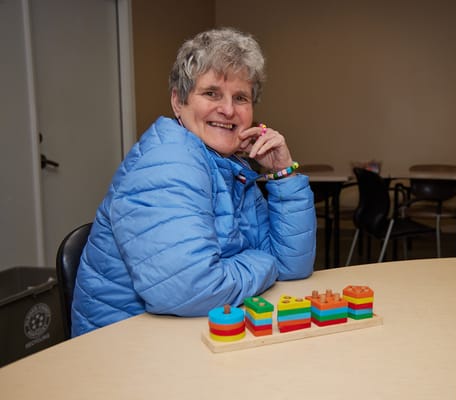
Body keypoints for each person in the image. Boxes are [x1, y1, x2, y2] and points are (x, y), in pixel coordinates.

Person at [70, 28, 316, 337]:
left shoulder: (230, 165)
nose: (228, 110)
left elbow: (294, 266)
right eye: (211, 93)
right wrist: (265, 262)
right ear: (178, 101)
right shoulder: (168, 161)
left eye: (240, 97)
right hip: (126, 354)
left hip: (190, 335)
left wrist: (282, 173)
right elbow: (192, 290)